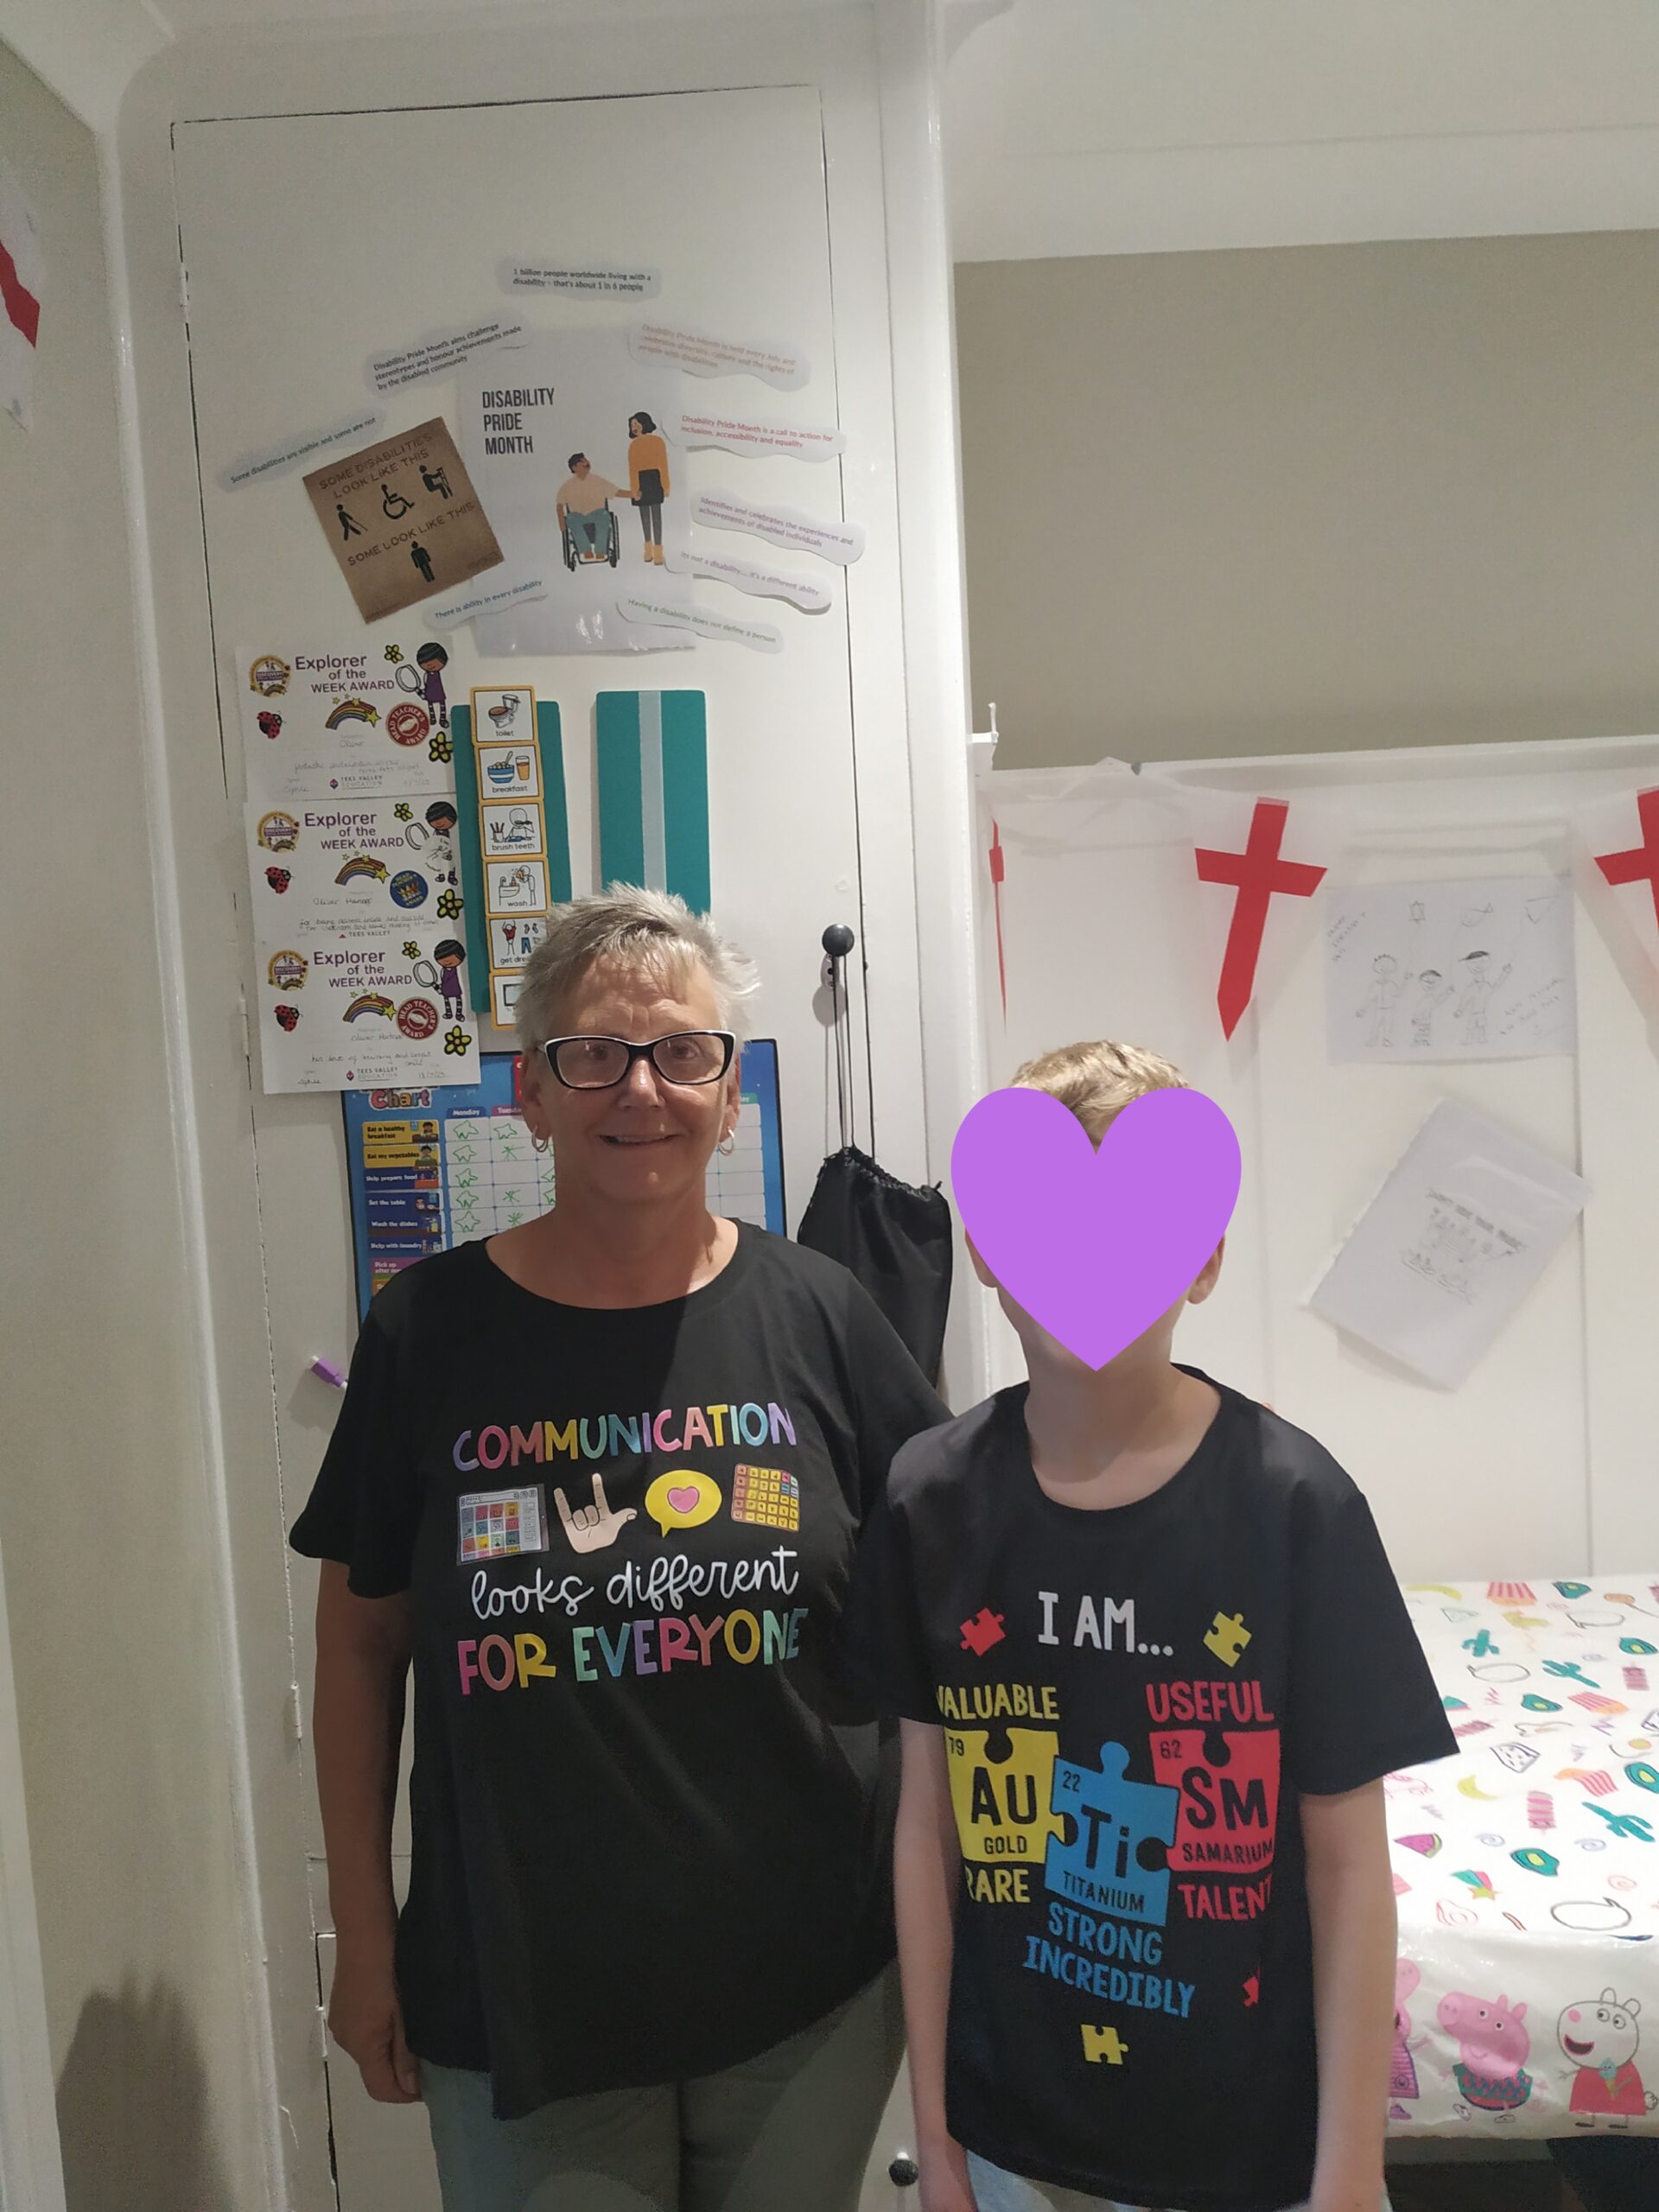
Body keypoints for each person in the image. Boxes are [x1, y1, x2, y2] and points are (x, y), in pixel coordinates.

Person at [290, 887, 950, 2212]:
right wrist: (364, 1936)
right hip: (523, 1986)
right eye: (594, 1053)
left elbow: (942, 1604)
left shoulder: (821, 1316)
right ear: (531, 1094)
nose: (641, 1088)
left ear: (728, 1092)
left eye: (682, 1052)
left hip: (810, 1980)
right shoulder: (428, 1332)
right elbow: (361, 1647)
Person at [844, 1039, 1457, 2212]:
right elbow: (929, 1832)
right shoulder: (929, 1499)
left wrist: (1350, 2172)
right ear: (987, 1250)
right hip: (1011, 2133)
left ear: (1206, 1257)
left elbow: (1346, 1861)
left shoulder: (1295, 1506)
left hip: (1251, 2146)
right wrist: (938, 2137)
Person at [556, 451, 625, 556]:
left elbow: (616, 492)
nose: (586, 463)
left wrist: (634, 495)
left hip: (597, 514)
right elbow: (560, 504)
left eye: (586, 460)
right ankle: (586, 550)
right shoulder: (568, 485)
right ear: (574, 467)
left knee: (604, 515)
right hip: (578, 517)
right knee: (571, 518)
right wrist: (561, 522)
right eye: (582, 461)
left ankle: (601, 551)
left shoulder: (598, 481)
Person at [627, 410, 671, 564]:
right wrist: (635, 489)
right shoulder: (633, 446)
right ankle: (648, 549)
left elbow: (663, 465)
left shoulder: (658, 442)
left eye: (636, 423)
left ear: (644, 423)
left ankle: (658, 551)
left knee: (657, 517)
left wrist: (666, 485)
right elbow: (633, 469)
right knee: (645, 517)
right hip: (641, 480)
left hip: (655, 479)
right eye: (632, 425)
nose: (634, 427)